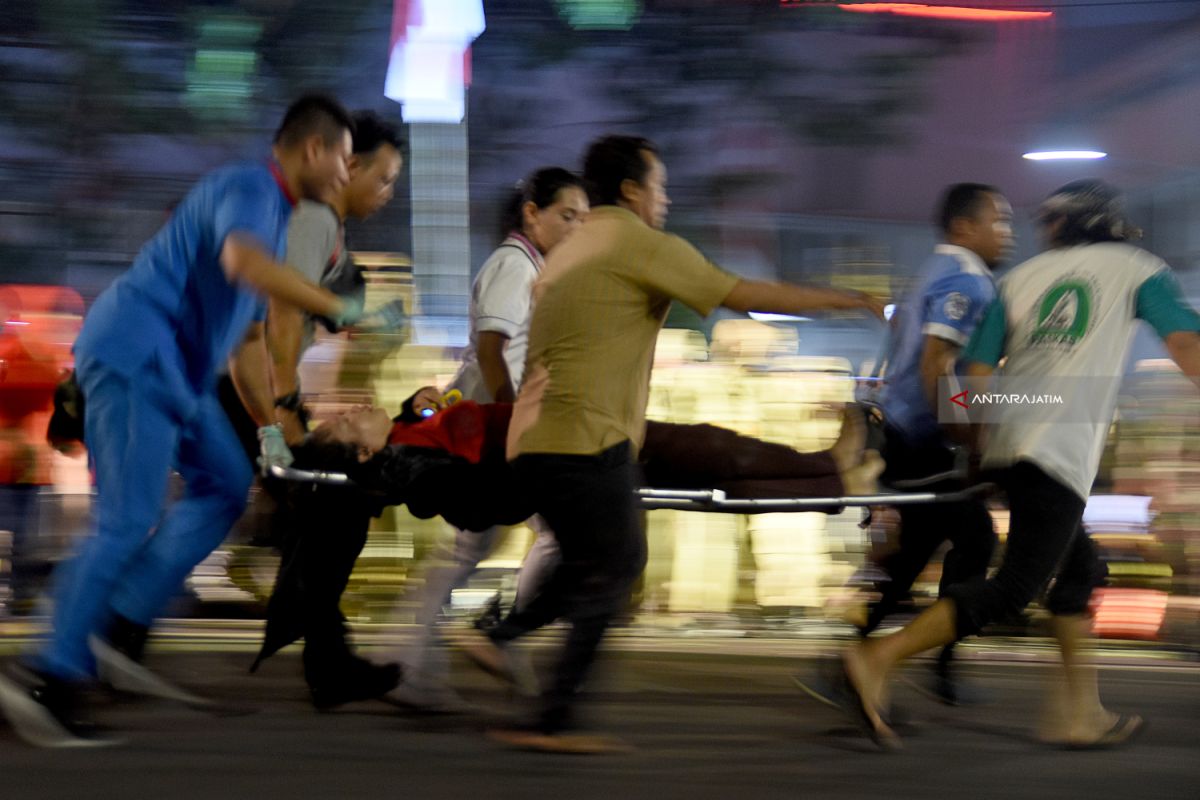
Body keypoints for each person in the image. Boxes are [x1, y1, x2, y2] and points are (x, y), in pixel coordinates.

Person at [452, 134, 886, 753]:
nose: (668, 197)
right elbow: (742, 296)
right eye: (660, 184)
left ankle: (503, 644)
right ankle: (544, 718)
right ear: (631, 190)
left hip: (542, 438)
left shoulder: (572, 250)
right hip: (585, 437)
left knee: (594, 561)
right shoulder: (633, 244)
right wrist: (845, 299)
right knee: (618, 565)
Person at [0, 94, 365, 748]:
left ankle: (116, 622)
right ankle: (48, 676)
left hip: (179, 377)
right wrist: (332, 302)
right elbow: (241, 265)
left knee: (226, 484)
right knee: (125, 520)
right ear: (314, 151)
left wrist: (272, 432)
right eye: (345, 158)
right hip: (139, 354)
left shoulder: (274, 217)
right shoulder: (251, 187)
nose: (348, 172)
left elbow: (251, 343)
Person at [837, 179, 1200, 750]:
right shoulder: (1138, 266)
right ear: (1108, 223)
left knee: (1079, 573)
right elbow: (1187, 346)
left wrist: (981, 450)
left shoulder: (1017, 279)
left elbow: (975, 377)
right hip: (1058, 450)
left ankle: (1078, 714)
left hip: (1010, 441)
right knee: (1010, 589)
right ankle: (878, 657)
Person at [225, 110, 408, 710]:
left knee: (324, 513)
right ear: (345, 164)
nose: (386, 194)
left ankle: (327, 660)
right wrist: (283, 413)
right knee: (336, 503)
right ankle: (327, 662)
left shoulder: (324, 228)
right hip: (243, 386)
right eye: (382, 179)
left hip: (257, 384)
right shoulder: (313, 222)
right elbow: (279, 312)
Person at [391, 168, 588, 710]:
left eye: (583, 219)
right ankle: (494, 639)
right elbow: (490, 348)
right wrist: (507, 416)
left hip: (504, 427)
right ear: (532, 214)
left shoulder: (534, 267)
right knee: (554, 535)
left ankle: (430, 662)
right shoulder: (513, 264)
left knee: (478, 549)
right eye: (566, 215)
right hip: (504, 433)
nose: (577, 228)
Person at [860, 183, 1012, 703]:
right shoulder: (967, 279)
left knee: (923, 547)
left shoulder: (927, 271)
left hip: (900, 434)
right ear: (963, 227)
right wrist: (967, 438)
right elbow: (935, 365)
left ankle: (864, 653)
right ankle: (938, 662)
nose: (1008, 233)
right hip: (926, 438)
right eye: (1000, 220)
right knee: (975, 540)